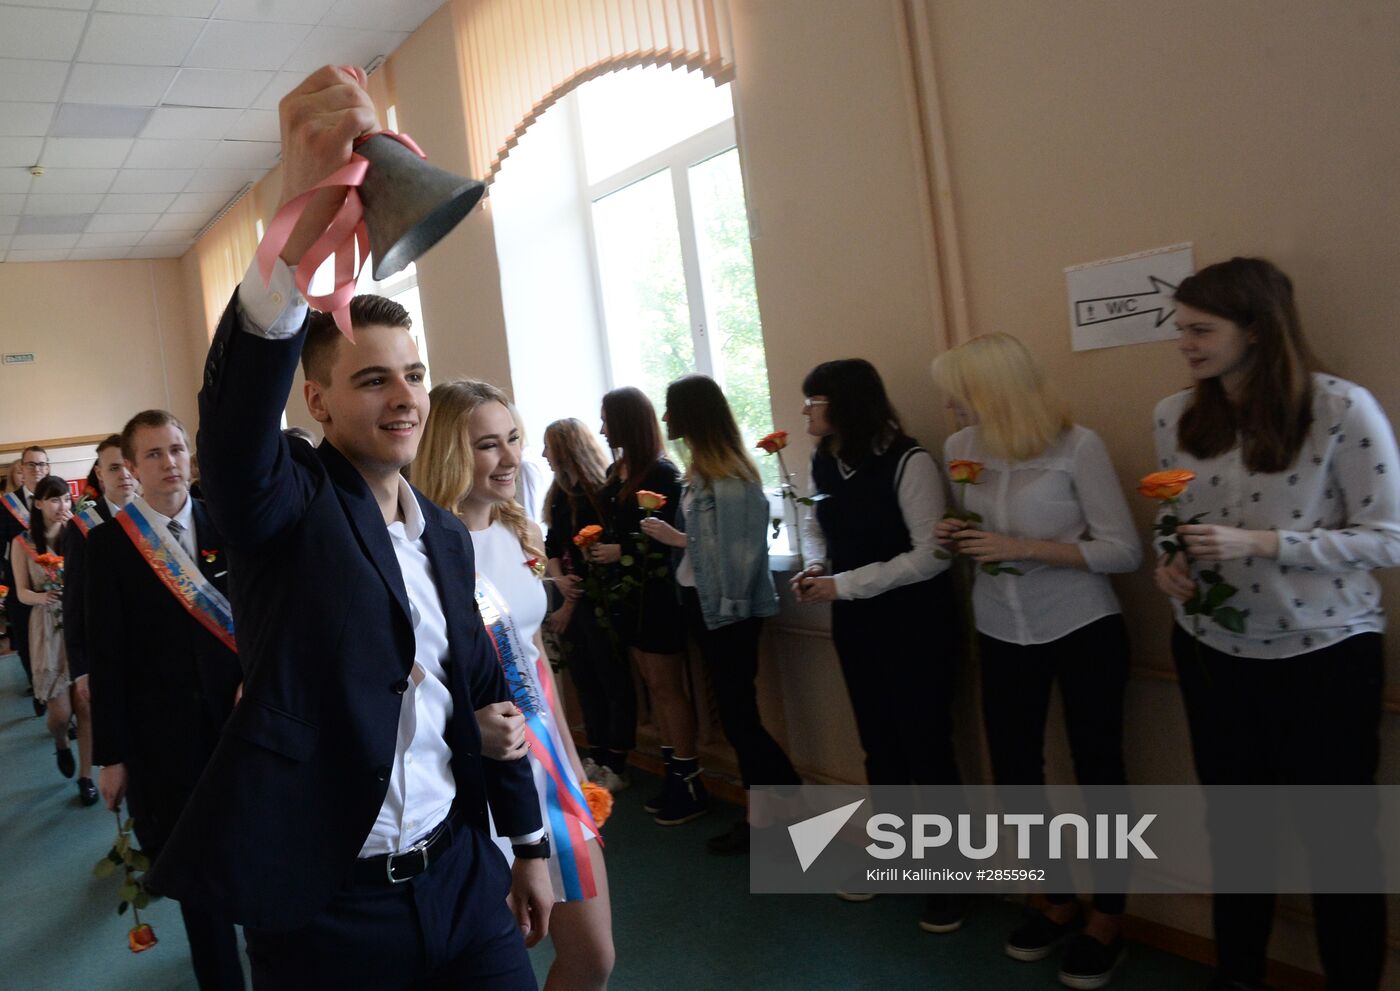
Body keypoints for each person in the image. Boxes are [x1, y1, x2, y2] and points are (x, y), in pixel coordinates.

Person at [145, 64, 551, 991]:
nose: (405, 395)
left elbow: (493, 700)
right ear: (319, 401)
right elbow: (239, 429)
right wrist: (291, 243)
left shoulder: (446, 538)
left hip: (458, 878)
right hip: (327, 904)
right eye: (374, 379)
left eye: (413, 374)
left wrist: (526, 842)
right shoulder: (287, 501)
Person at [1152, 258, 1399, 991]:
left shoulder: (1340, 408)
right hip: (1212, 650)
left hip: (1326, 654)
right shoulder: (1174, 416)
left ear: (1257, 330)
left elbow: (1390, 537)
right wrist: (1174, 566)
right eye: (1181, 329)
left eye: (1202, 329)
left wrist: (1264, 544)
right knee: (1237, 838)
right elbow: (1177, 520)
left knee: (1341, 846)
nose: (1185, 344)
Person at [931, 334, 1142, 988]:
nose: (947, 402)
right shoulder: (959, 447)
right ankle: (1056, 902)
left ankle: (1108, 917)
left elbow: (1123, 550)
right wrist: (955, 535)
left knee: (1098, 768)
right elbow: (980, 534)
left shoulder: (1078, 445)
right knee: (1018, 771)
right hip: (999, 624)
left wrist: (1020, 544)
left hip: (1081, 622)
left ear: (994, 389)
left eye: (957, 390)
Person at [416, 379, 615, 991]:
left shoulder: (514, 531)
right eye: (486, 445)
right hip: (473, 780)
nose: (508, 459)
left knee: (593, 957)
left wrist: (570, 755)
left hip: (546, 769)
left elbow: (533, 654)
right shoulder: (421, 550)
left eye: (513, 440)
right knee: (496, 968)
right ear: (449, 451)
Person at [790, 358, 963, 932]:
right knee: (879, 747)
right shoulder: (824, 458)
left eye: (813, 400)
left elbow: (930, 554)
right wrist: (817, 565)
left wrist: (845, 584)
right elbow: (818, 523)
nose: (807, 411)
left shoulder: (909, 460)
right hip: (858, 623)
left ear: (842, 403)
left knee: (928, 750)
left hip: (917, 624)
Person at [87, 411, 245, 989]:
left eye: (177, 449)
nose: (170, 463)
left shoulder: (231, 525)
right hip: (166, 747)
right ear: (130, 468)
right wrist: (113, 755)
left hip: (242, 729)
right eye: (153, 454)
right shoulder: (108, 547)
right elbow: (106, 659)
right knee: (199, 883)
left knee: (257, 863)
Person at [639, 374, 801, 854]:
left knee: (738, 718)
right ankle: (762, 819)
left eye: (672, 410)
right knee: (735, 716)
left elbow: (739, 555)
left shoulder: (730, 480)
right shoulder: (701, 475)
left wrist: (676, 539)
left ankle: (783, 803)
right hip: (704, 606)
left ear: (695, 416)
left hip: (728, 612)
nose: (666, 420)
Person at [589, 386, 706, 825]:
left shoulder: (661, 472)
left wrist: (621, 552)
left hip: (656, 596)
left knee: (667, 686)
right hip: (627, 595)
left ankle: (687, 777)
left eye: (607, 419)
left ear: (626, 423)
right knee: (653, 688)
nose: (601, 428)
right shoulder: (619, 468)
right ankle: (674, 769)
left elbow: (668, 538)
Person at [541, 417, 637, 793]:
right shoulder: (562, 493)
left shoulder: (598, 493)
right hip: (573, 596)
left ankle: (616, 761)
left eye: (550, 446)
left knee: (611, 681)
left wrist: (567, 602)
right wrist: (559, 580)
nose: (545, 454)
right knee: (585, 681)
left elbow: (592, 561)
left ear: (566, 448)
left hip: (597, 601)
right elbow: (553, 546)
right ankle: (596, 755)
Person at [61, 434, 137, 806]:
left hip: (147, 649)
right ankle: (91, 773)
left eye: (127, 465)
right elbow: (73, 603)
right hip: (102, 646)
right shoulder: (83, 527)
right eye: (113, 467)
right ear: (99, 474)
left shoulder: (154, 513)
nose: (123, 475)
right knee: (98, 716)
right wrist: (82, 669)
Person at [11, 475, 73, 775]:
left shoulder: (76, 534)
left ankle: (86, 775)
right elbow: (20, 592)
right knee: (59, 714)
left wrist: (77, 531)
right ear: (38, 504)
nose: (62, 505)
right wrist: (42, 597)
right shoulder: (22, 543)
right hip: (46, 625)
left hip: (76, 619)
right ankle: (61, 741)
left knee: (86, 704)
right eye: (54, 499)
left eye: (66, 498)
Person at [3, 445, 51, 714]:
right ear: (22, 469)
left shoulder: (59, 498)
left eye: (42, 464)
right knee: (25, 642)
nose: (37, 470)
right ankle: (39, 690)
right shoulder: (6, 506)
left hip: (55, 587)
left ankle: (58, 697)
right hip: (20, 588)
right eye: (31, 465)